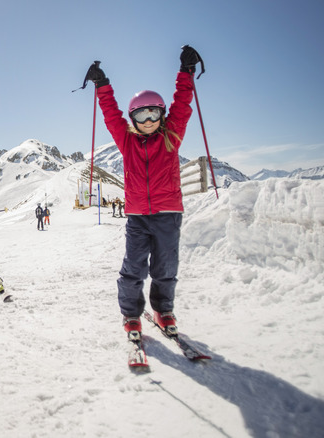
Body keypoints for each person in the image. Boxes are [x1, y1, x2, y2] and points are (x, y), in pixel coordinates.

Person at [83, 45, 201, 341]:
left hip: (168, 215)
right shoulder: (126, 141)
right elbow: (111, 115)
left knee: (165, 268)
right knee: (133, 269)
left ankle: (164, 310)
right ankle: (131, 314)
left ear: (162, 114)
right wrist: (102, 85)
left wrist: (185, 73)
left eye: (154, 113)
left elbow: (183, 105)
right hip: (137, 216)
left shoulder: (172, 136)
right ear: (133, 118)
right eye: (141, 114)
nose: (148, 120)